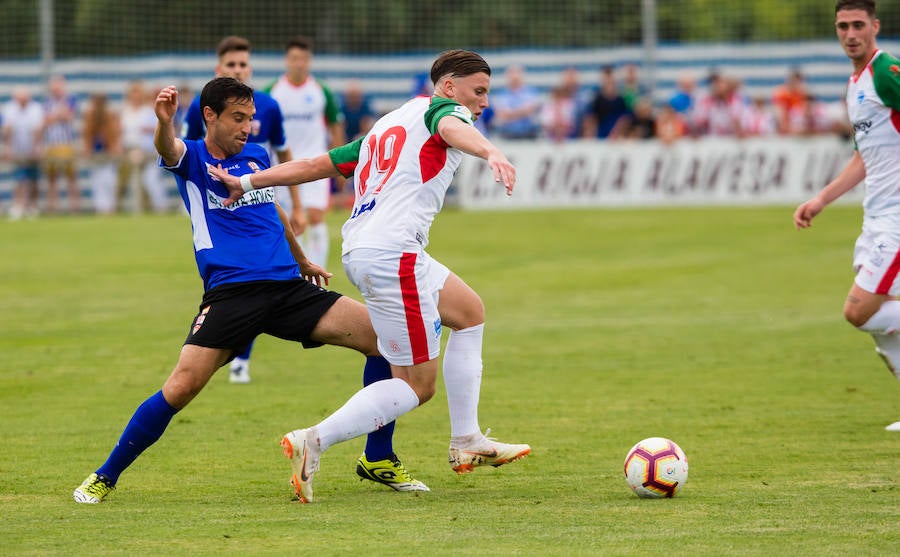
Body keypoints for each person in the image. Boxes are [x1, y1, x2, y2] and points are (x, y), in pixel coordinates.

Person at [72, 77, 428, 504]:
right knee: (181, 387)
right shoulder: (194, 156)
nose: (247, 127)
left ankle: (378, 457)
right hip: (232, 295)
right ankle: (105, 475)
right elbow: (168, 149)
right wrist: (164, 123)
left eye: (251, 118)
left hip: (288, 288)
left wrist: (301, 260)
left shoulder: (258, 156)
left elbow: (273, 209)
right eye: (238, 118)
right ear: (210, 116)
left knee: (386, 342)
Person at [209, 49, 531, 504]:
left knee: (469, 312)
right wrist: (491, 150)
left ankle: (467, 441)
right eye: (478, 91)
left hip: (371, 248)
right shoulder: (446, 112)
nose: (482, 103)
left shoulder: (390, 122)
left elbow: (319, 164)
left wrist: (247, 183)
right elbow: (452, 127)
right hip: (391, 253)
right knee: (417, 385)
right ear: (448, 86)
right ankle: (313, 439)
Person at [793, 0, 900, 432]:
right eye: (843, 26)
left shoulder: (885, 70)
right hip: (875, 216)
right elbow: (864, 157)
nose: (850, 33)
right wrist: (821, 199)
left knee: (859, 311)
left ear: (875, 26)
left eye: (858, 25)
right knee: (881, 322)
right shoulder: (854, 84)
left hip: (897, 220)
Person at [184, 35, 298, 384]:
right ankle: (237, 357)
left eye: (243, 64)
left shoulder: (270, 106)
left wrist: (298, 203)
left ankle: (240, 353)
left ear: (251, 67)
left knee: (269, 273)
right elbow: (187, 152)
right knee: (243, 280)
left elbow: (283, 153)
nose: (238, 69)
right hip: (221, 202)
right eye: (231, 65)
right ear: (220, 69)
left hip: (262, 189)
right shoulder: (198, 107)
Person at [266, 35, 345, 269]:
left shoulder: (322, 91)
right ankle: (298, 272)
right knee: (291, 221)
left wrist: (340, 166)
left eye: (303, 58)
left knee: (316, 216)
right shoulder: (273, 92)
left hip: (316, 164)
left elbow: (335, 126)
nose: (299, 63)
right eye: (294, 58)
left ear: (309, 61)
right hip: (283, 167)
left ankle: (318, 279)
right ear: (286, 60)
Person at [2, 86, 44, 220]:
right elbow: (8, 130)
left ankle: (32, 205)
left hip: (32, 148)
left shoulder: (36, 108)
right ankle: (19, 205)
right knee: (20, 178)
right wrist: (7, 148)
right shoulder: (9, 108)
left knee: (34, 178)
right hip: (17, 149)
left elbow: (37, 130)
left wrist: (36, 148)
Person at [41, 75, 81, 214]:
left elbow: (69, 116)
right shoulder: (47, 102)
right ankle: (52, 209)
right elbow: (45, 121)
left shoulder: (70, 99)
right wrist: (58, 116)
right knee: (52, 180)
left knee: (71, 178)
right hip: (51, 145)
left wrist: (55, 116)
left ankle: (75, 208)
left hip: (66, 145)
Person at [81, 93, 122, 215]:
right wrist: (87, 149)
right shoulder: (90, 116)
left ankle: (110, 208)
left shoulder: (110, 116)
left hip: (107, 154)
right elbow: (87, 135)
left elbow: (114, 134)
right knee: (97, 183)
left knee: (109, 181)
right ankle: (101, 208)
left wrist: (115, 147)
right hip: (95, 154)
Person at [490, 64, 542, 140]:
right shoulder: (501, 94)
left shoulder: (531, 92)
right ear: (507, 76)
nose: (515, 76)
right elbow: (502, 114)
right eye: (512, 73)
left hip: (529, 134)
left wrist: (511, 114)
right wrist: (523, 112)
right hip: (507, 135)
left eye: (517, 73)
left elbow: (531, 109)